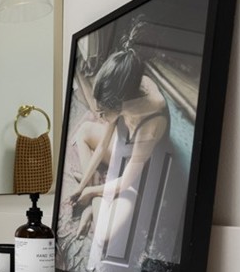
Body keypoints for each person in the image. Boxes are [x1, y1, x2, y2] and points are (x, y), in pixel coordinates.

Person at [68, 20, 169, 237]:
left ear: (121, 104)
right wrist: (82, 186)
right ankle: (94, 196)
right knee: (85, 129)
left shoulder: (149, 126)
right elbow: (103, 143)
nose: (101, 117)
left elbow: (126, 181)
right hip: (120, 147)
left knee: (103, 236)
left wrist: (90, 192)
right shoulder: (127, 86)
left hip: (133, 175)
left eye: (104, 113)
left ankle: (94, 202)